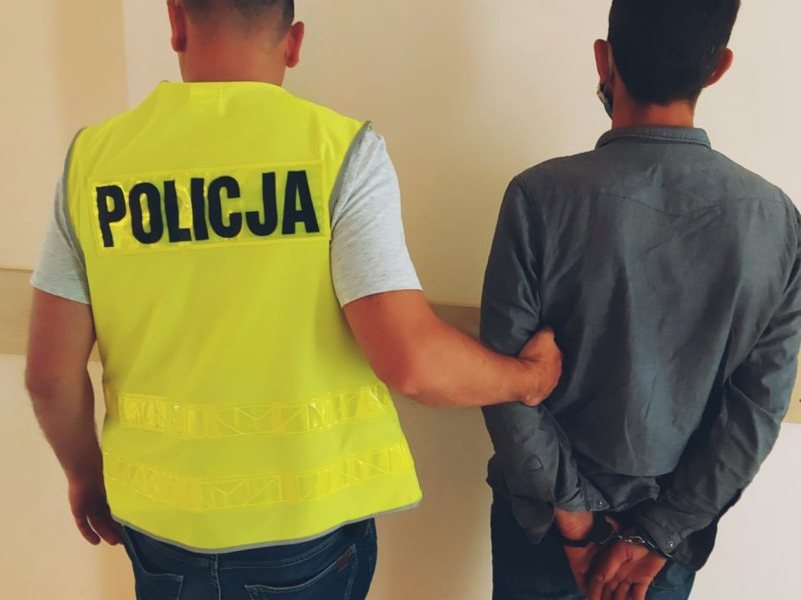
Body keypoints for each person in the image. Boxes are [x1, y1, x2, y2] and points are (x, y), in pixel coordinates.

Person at [24, 1, 562, 599]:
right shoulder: (341, 153)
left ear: (175, 22)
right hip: (304, 540)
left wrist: (84, 474)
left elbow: (49, 376)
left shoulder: (92, 162)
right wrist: (528, 380)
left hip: (159, 534)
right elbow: (412, 361)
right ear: (294, 42)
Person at [481, 1, 801, 599]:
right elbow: (758, 408)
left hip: (545, 523)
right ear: (719, 67)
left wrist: (575, 522)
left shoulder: (537, 196)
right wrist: (661, 532)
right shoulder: (776, 220)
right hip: (665, 539)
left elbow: (502, 379)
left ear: (603, 59)